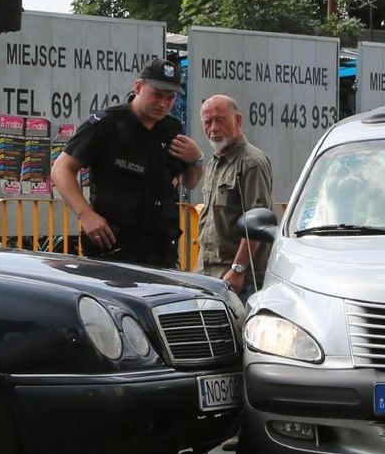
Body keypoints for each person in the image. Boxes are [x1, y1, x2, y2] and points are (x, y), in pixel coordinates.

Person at [51, 57, 204, 268]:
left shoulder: (171, 129)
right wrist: (86, 215)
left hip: (160, 249)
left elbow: (189, 182)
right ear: (138, 87)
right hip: (113, 247)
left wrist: (196, 160)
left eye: (170, 98)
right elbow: (61, 169)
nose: (163, 104)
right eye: (157, 95)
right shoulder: (106, 124)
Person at [195, 94, 274, 301]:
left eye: (220, 119)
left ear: (237, 121)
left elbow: (257, 224)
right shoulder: (215, 162)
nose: (213, 128)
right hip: (208, 276)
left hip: (239, 282)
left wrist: (238, 269)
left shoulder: (251, 163)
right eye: (207, 122)